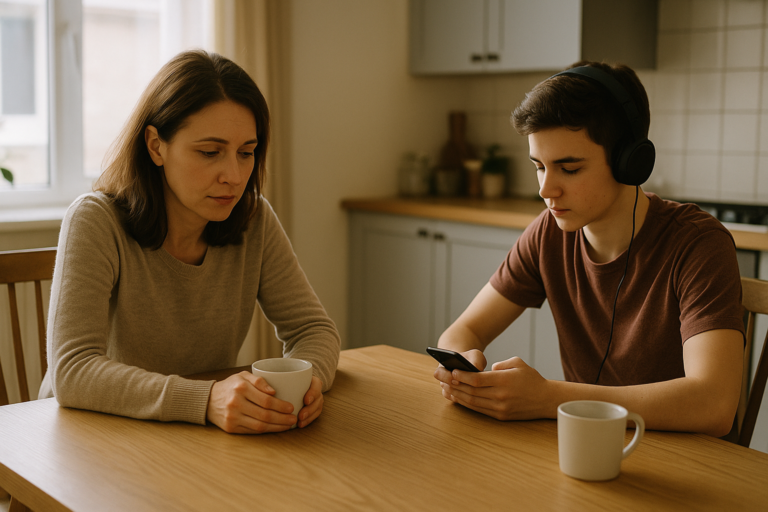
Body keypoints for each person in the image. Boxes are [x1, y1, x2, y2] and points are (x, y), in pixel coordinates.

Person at [433, 61, 745, 437]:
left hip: (687, 463)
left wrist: (548, 398)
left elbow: (714, 403)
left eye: (569, 168)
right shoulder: (548, 232)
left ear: (629, 162)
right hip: (589, 448)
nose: (546, 190)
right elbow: (462, 331)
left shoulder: (698, 245)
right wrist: (464, 368)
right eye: (539, 166)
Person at [39, 50, 341, 434]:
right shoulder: (96, 220)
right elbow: (73, 370)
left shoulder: (253, 220)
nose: (233, 175)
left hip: (187, 437)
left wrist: (307, 382)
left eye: (246, 153)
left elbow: (315, 331)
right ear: (155, 145)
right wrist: (204, 399)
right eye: (210, 152)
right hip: (85, 438)